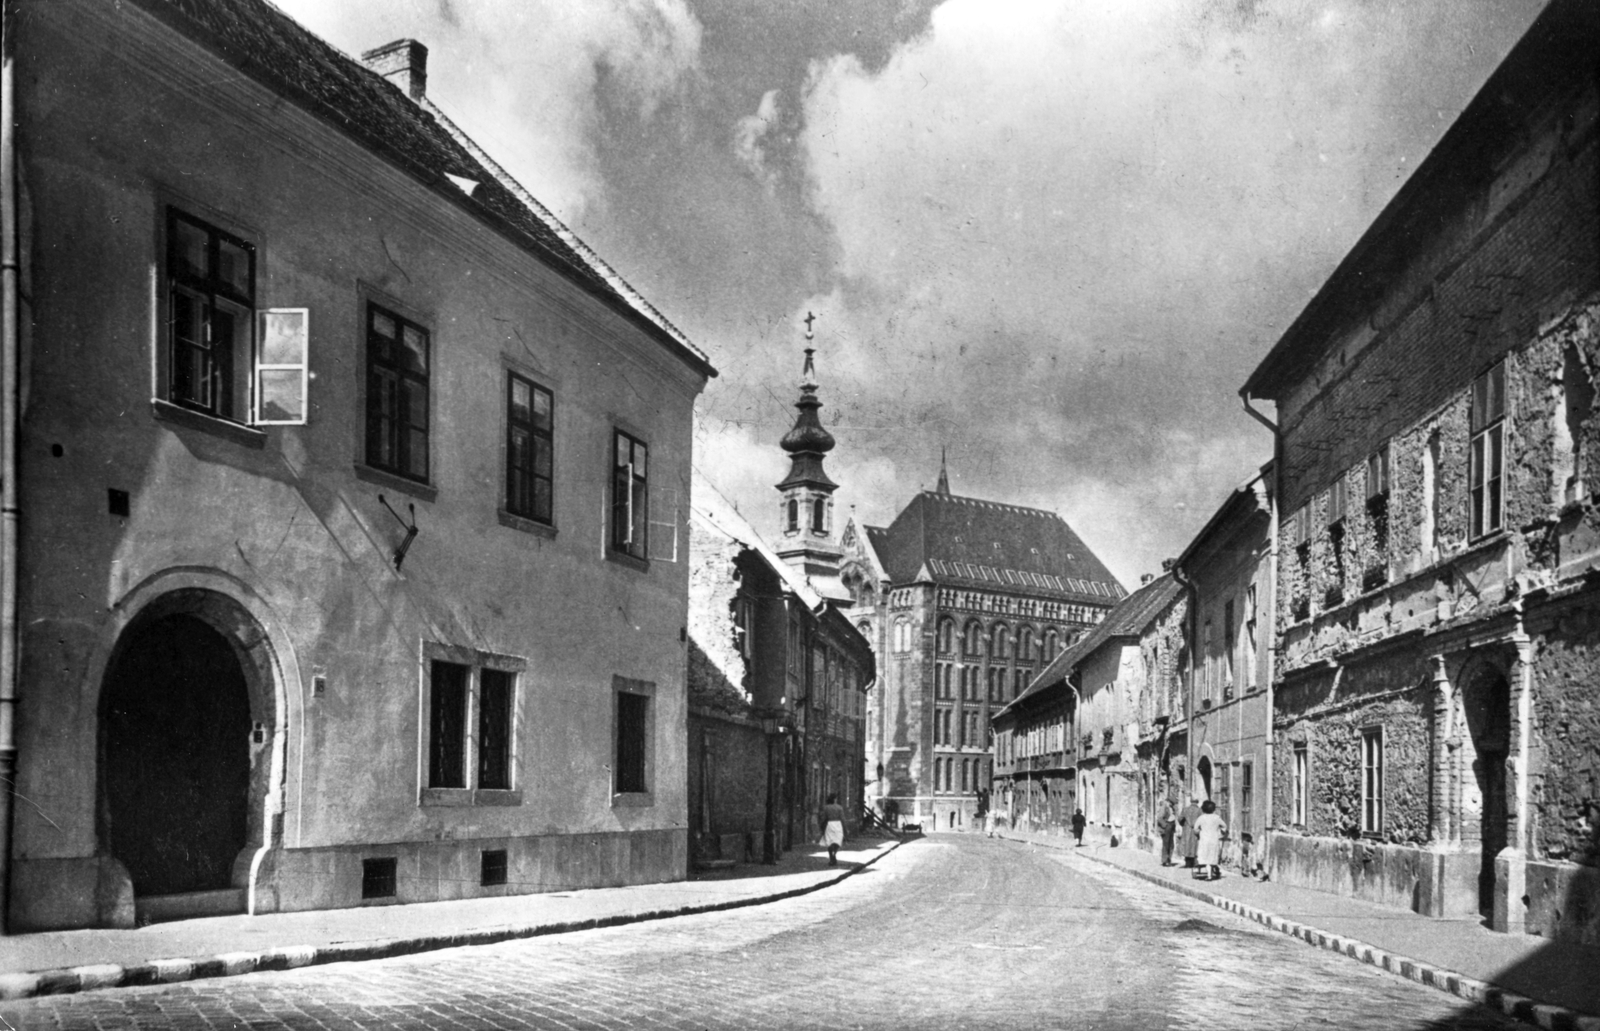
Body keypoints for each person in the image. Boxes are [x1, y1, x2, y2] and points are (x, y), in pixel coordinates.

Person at [1195, 799, 1226, 880]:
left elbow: (1195, 829)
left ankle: (1209, 875)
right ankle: (1213, 871)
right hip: (1214, 839)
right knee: (1212, 856)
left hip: (1204, 839)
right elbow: (1224, 826)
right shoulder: (1217, 818)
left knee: (1205, 856)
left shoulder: (1201, 818)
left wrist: (1198, 833)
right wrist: (1221, 834)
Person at [820, 793, 847, 867]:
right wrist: (845, 827)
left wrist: (822, 826)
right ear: (835, 799)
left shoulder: (826, 807)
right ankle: (834, 854)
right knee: (837, 841)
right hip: (838, 824)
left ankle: (831, 857)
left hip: (830, 824)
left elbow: (823, 818)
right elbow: (843, 818)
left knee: (830, 841)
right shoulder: (839, 807)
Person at [1178, 796, 1202, 869]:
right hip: (1196, 829)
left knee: (1187, 845)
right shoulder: (1200, 810)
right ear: (1197, 802)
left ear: (1191, 801)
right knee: (1195, 845)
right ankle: (1195, 862)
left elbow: (1180, 819)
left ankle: (1188, 863)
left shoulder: (1185, 809)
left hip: (1187, 829)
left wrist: (1184, 825)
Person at [1156, 796, 1177, 866]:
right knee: (1166, 844)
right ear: (1168, 802)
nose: (1172, 805)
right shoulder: (1164, 807)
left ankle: (1169, 859)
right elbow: (1160, 818)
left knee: (1171, 844)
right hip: (1167, 826)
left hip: (1171, 826)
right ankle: (1165, 860)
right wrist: (1165, 826)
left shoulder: (1171, 808)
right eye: (1171, 803)